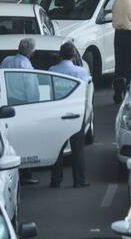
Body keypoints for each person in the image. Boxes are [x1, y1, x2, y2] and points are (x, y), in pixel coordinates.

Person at [49, 42, 90, 189]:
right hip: (76, 112)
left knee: (58, 147)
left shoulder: (52, 70)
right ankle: (79, 180)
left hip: (57, 112)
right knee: (77, 148)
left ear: (60, 55)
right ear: (73, 56)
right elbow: (85, 90)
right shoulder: (81, 72)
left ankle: (56, 180)